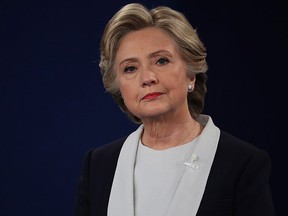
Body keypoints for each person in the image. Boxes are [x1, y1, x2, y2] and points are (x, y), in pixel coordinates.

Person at [73, 3, 275, 216]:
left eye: (161, 61)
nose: (147, 78)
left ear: (191, 74)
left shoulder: (243, 163)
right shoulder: (98, 165)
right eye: (130, 68)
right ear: (118, 85)